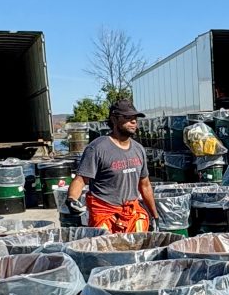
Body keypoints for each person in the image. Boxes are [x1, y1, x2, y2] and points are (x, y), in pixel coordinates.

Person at [66, 99, 160, 233]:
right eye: (128, 117)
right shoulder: (97, 148)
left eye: (135, 118)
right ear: (114, 119)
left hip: (131, 213)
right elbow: (81, 179)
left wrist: (154, 216)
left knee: (137, 250)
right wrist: (72, 199)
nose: (133, 121)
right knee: (107, 251)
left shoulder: (138, 149)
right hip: (105, 214)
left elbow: (145, 185)